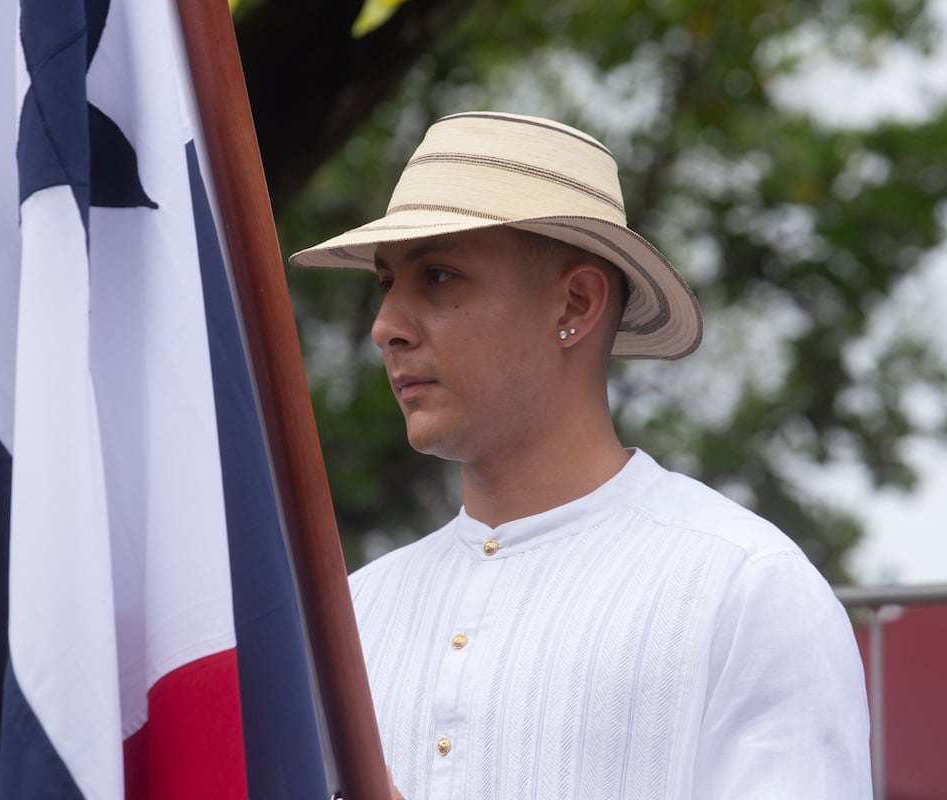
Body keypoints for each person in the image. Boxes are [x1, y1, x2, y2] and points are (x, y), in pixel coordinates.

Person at [290, 112, 871, 799]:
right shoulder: (353, 614)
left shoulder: (743, 591)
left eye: (440, 276)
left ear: (575, 301)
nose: (386, 327)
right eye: (387, 283)